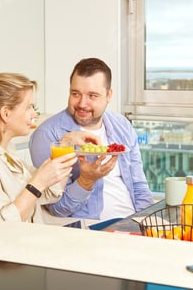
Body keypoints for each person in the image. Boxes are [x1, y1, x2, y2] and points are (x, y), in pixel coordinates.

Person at [0, 68, 80, 231]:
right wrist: (38, 182)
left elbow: (48, 194)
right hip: (12, 252)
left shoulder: (5, 152)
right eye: (28, 107)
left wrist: (66, 146)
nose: (34, 114)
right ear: (5, 113)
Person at [29, 57, 154, 220]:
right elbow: (57, 208)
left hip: (131, 223)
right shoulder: (48, 135)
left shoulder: (121, 125)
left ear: (109, 95)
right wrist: (86, 180)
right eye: (75, 94)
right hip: (89, 230)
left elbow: (139, 187)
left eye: (92, 96)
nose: (82, 103)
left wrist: (146, 222)